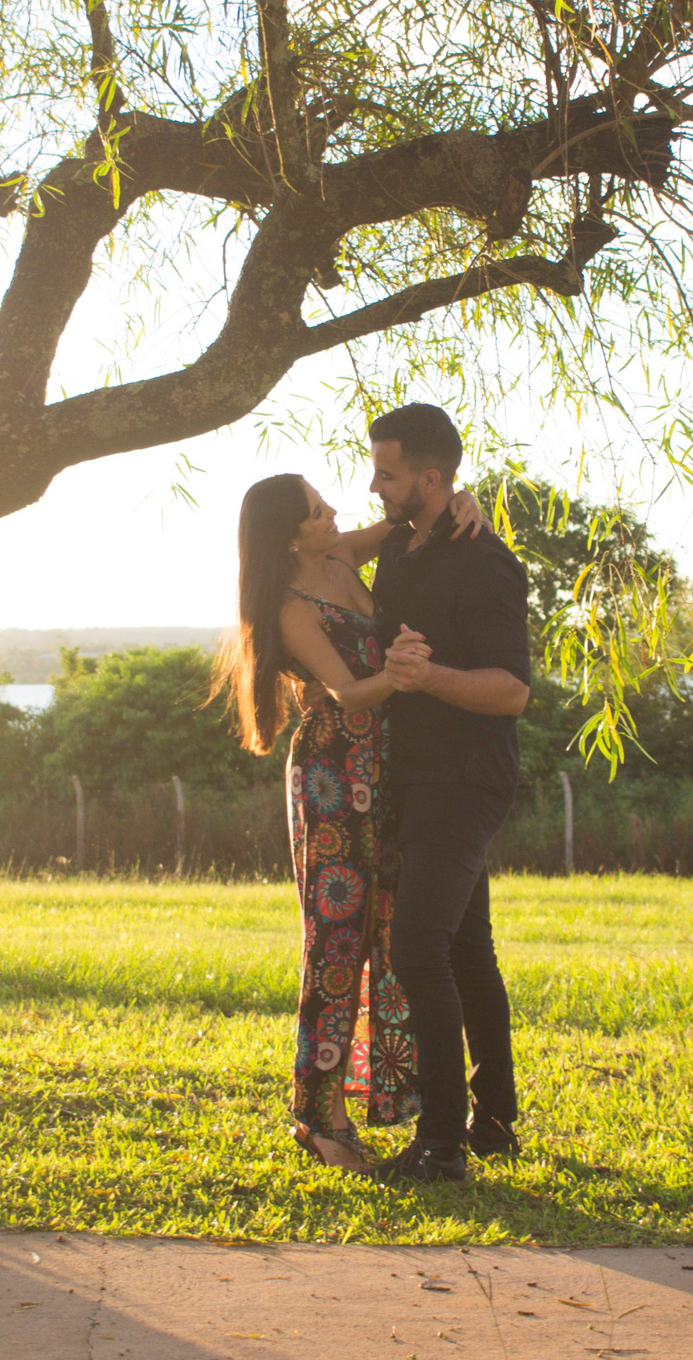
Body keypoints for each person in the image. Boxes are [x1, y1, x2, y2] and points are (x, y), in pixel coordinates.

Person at [221, 471, 484, 1174]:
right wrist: (403, 677)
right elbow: (347, 693)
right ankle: (318, 1115)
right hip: (335, 771)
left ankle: (384, 1103)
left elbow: (407, 524)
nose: (334, 509)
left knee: (392, 938)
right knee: (338, 944)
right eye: (317, 509)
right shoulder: (288, 606)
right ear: (290, 534)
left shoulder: (341, 557)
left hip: (385, 771)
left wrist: (463, 501)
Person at [366, 403, 533, 1185]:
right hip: (417, 776)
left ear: (430, 479)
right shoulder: (405, 542)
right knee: (467, 951)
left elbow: (510, 692)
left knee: (418, 950)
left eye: (389, 474)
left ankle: (440, 1147)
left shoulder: (486, 563)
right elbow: (326, 545)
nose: (375, 486)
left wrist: (427, 678)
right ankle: (494, 1119)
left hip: (465, 781)